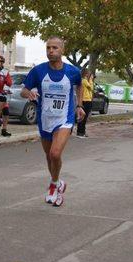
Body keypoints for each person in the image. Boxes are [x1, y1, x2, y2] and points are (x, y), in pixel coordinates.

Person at [20, 36, 85, 207]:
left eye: (55, 48)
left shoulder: (73, 71)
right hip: (45, 119)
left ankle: (54, 185)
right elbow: (24, 90)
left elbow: (80, 85)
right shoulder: (38, 71)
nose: (51, 51)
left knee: (55, 153)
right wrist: (29, 94)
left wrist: (79, 105)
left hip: (64, 119)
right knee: (49, 157)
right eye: (48, 48)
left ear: (62, 50)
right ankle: (57, 182)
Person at [76, 68, 93, 138]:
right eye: (88, 73)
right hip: (86, 100)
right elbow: (91, 88)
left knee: (81, 117)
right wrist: (91, 80)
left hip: (83, 99)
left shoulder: (81, 80)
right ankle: (82, 132)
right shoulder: (85, 81)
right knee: (84, 117)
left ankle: (79, 131)